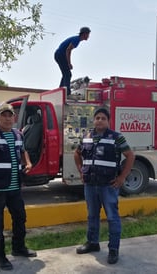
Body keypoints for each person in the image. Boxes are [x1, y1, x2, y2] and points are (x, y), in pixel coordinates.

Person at [0, 103, 36, 271]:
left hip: (14, 187)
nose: (7, 118)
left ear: (14, 118)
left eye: (10, 115)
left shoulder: (18, 134)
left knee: (20, 218)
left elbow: (23, 151)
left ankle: (19, 248)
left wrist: (28, 162)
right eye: (4, 115)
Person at [74, 108, 135, 264]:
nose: (99, 120)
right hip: (90, 185)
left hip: (108, 186)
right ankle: (92, 243)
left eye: (103, 118)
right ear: (93, 120)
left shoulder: (116, 137)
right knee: (92, 216)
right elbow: (77, 153)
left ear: (108, 121)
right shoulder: (86, 136)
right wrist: (81, 171)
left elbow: (130, 156)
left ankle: (113, 249)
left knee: (112, 218)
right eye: (97, 118)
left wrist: (122, 177)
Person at [54, 26, 91, 96]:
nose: (88, 36)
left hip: (58, 54)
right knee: (68, 74)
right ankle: (67, 92)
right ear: (84, 34)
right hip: (60, 54)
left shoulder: (76, 39)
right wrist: (69, 63)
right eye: (88, 34)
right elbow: (68, 50)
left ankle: (61, 90)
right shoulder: (76, 39)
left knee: (65, 74)